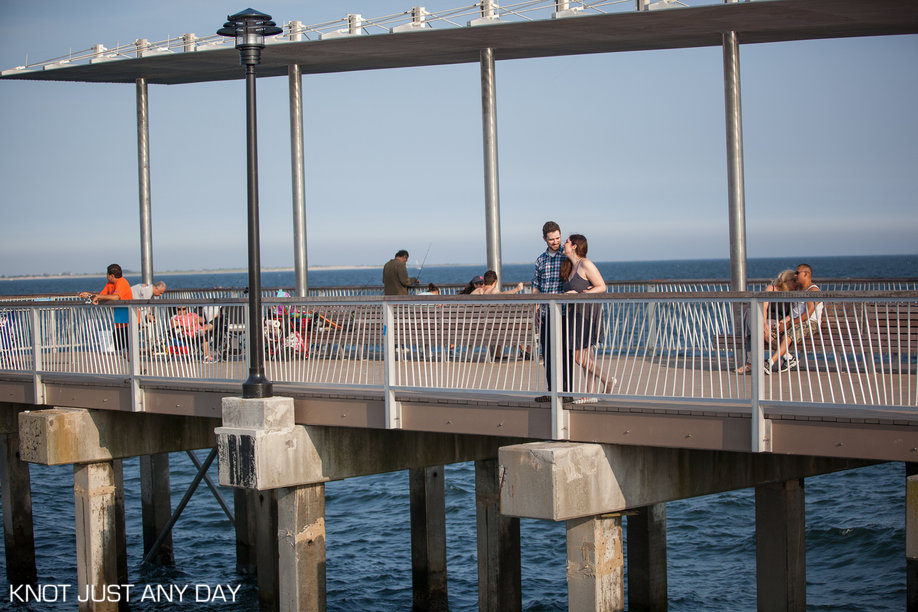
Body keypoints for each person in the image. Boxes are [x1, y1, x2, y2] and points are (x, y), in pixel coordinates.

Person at [560, 234, 614, 402]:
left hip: (586, 312)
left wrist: (581, 294)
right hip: (574, 313)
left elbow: (602, 286)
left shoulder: (585, 264)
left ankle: (607, 379)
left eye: (567, 242)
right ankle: (590, 393)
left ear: (575, 246)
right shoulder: (570, 266)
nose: (564, 244)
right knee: (587, 356)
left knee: (579, 357)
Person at [532, 221, 570, 401]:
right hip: (547, 313)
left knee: (565, 353)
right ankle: (551, 391)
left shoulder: (567, 255)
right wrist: (536, 310)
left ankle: (567, 392)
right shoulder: (541, 260)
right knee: (547, 355)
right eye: (551, 239)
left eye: (557, 238)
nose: (555, 242)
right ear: (544, 239)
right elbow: (536, 287)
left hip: (564, 313)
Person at [735, 269, 797, 374]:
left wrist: (782, 322)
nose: (796, 283)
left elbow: (794, 313)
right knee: (750, 313)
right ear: (787, 280)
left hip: (779, 322)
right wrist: (764, 324)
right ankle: (787, 356)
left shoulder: (795, 293)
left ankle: (750, 363)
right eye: (794, 281)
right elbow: (764, 307)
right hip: (765, 319)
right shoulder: (771, 288)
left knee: (753, 330)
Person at [765, 263, 823, 374]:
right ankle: (789, 358)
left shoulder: (813, 291)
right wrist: (782, 322)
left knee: (787, 335)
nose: (795, 275)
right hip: (794, 322)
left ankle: (769, 362)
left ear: (806, 274)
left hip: (810, 322)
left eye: (797, 273)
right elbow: (794, 313)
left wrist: (788, 324)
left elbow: (807, 315)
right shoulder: (799, 290)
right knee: (768, 334)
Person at [79, 263, 133, 355]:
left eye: (107, 274)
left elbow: (116, 297)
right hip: (120, 320)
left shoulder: (121, 282)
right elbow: (101, 295)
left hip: (128, 319)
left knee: (129, 349)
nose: (106, 276)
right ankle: (132, 367)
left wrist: (98, 296)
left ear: (111, 275)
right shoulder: (110, 284)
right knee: (121, 349)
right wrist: (88, 295)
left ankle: (138, 368)